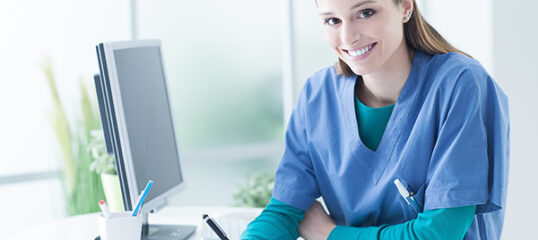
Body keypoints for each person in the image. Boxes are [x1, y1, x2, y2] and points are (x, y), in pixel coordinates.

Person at [240, 0, 509, 239]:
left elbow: (439, 234)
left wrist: (330, 235)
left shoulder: (460, 84)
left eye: (366, 12)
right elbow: (285, 212)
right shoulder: (317, 95)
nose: (348, 36)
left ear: (405, 7)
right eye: (332, 20)